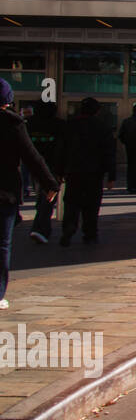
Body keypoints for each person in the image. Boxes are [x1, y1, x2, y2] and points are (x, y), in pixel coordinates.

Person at [0, 79, 58, 309]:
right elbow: (31, 156)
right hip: (4, 192)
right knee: (2, 244)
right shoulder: (12, 123)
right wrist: (50, 183)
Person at [56, 96, 115, 246]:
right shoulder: (102, 128)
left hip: (73, 171)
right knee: (92, 204)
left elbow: (61, 151)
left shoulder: (69, 126)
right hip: (94, 173)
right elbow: (108, 152)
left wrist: (59, 171)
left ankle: (69, 227)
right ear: (97, 111)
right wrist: (111, 175)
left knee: (71, 202)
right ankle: (90, 233)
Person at [26, 100, 64, 245]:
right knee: (48, 198)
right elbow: (63, 147)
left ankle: (41, 227)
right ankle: (40, 228)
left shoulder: (29, 124)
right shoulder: (59, 125)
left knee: (42, 195)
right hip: (53, 167)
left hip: (34, 166)